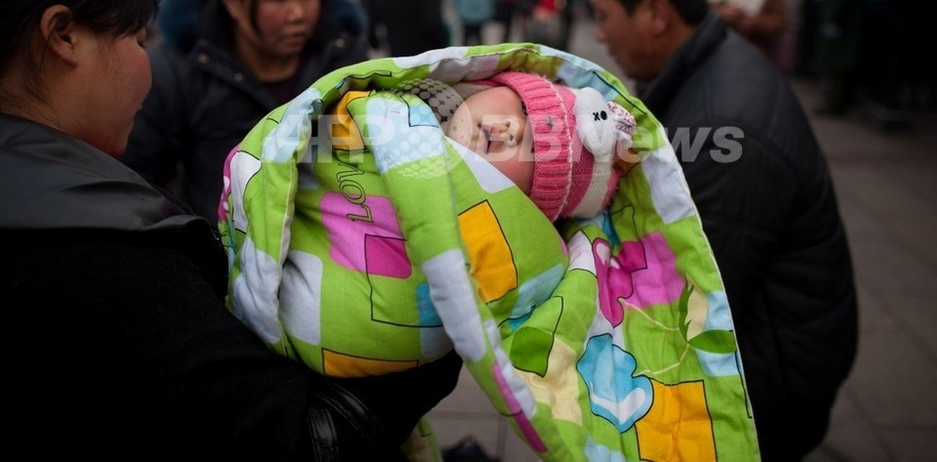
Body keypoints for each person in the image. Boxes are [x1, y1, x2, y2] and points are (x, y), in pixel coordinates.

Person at [0, 0, 460, 460]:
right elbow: (299, 437)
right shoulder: (116, 255)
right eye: (134, 37)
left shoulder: (345, 66)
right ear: (63, 36)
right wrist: (443, 311)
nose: (297, 13)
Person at [587, 0, 859, 462]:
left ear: (656, 13)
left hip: (770, 385)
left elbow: (678, 300)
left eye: (602, 15)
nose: (598, 35)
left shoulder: (723, 131)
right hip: (781, 346)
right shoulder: (705, 67)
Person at [221, 70, 636, 380]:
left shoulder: (498, 234)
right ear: (487, 86)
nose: (513, 129)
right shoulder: (400, 106)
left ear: (522, 204)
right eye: (524, 108)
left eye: (538, 153)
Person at [119, 0, 368, 222]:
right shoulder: (180, 69)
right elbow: (143, 184)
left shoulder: (341, 59)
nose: (298, 13)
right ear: (233, 1)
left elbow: (354, 161)